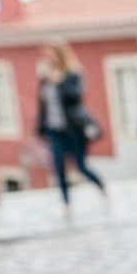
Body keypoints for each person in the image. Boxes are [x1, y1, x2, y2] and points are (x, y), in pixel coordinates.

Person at [37, 39, 105, 213]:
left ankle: (100, 185)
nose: (49, 58)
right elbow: (43, 104)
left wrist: (60, 82)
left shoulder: (73, 73)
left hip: (72, 128)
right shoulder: (45, 76)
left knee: (81, 166)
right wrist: (40, 127)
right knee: (59, 166)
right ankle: (66, 204)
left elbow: (76, 97)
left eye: (52, 54)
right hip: (54, 129)